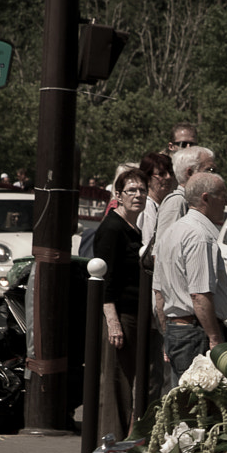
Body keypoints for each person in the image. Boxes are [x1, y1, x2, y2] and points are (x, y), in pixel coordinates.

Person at [154, 173, 227, 377]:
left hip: (178, 330)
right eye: (223, 196)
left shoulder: (171, 233)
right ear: (206, 198)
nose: (226, 202)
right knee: (197, 405)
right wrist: (215, 339)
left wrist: (167, 333)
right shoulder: (200, 237)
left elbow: (159, 294)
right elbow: (199, 295)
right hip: (197, 334)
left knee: (180, 403)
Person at [92, 165, 147, 438]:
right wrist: (113, 322)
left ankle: (123, 438)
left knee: (128, 381)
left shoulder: (133, 228)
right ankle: (110, 444)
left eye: (142, 190)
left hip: (135, 313)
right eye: (131, 191)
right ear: (119, 195)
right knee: (117, 382)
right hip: (121, 314)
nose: (138, 195)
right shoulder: (112, 229)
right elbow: (106, 280)